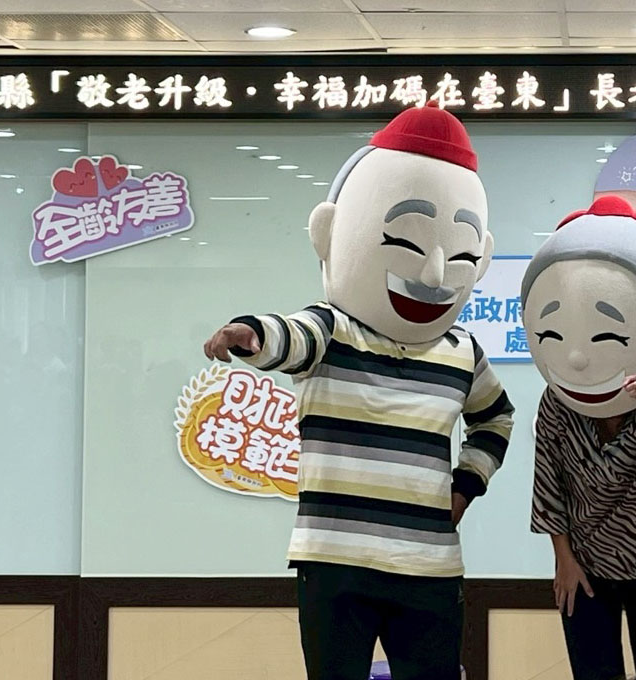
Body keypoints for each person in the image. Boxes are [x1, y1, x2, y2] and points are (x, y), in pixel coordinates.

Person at [204, 102, 514, 680]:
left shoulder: (462, 350)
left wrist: (466, 486)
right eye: (408, 244)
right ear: (332, 234)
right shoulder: (332, 329)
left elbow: (496, 418)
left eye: (460, 253)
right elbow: (289, 337)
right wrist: (250, 334)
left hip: (429, 564)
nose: (434, 271)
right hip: (335, 561)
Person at [521, 196, 636, 680]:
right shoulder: (557, 403)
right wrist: (563, 560)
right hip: (585, 562)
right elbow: (548, 487)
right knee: (593, 672)